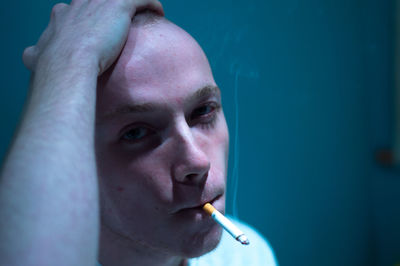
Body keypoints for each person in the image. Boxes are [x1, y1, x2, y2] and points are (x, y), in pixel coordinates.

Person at [0, 0, 277, 265]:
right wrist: (70, 60)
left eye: (203, 111)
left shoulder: (246, 257)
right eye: (136, 133)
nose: (196, 162)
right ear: (77, 159)